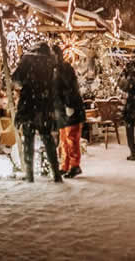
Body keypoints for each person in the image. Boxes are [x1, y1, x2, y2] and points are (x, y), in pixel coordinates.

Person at [12, 42, 63, 183]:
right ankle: (56, 173)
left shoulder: (27, 60)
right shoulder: (51, 62)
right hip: (44, 106)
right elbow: (55, 85)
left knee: (28, 140)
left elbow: (16, 80)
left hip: (29, 105)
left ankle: (29, 175)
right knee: (48, 140)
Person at [52, 45, 85, 179]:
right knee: (64, 139)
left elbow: (70, 88)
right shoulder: (54, 70)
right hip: (60, 109)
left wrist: (69, 104)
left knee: (71, 138)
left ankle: (74, 165)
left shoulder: (64, 69)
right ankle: (65, 165)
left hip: (69, 108)